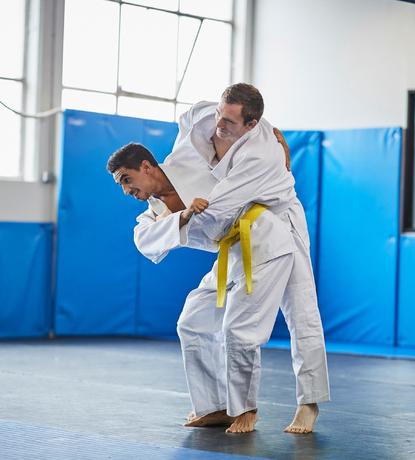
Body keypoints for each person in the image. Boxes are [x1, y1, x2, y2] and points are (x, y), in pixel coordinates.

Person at [165, 83, 330, 434]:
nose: (219, 124)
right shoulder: (204, 115)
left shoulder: (259, 156)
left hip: (280, 222)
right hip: (244, 230)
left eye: (229, 121)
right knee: (195, 320)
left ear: (251, 125)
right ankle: (215, 405)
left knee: (302, 311)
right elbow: (186, 121)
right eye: (219, 115)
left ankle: (309, 402)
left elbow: (216, 210)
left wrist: (172, 220)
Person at [107, 142, 298, 433]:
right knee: (192, 322)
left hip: (264, 240)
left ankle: (245, 410)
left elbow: (218, 126)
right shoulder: (155, 211)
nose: (125, 190)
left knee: (238, 329)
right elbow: (143, 240)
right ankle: (214, 407)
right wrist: (182, 216)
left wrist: (271, 135)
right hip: (231, 254)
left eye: (126, 179)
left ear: (146, 166)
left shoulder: (189, 159)